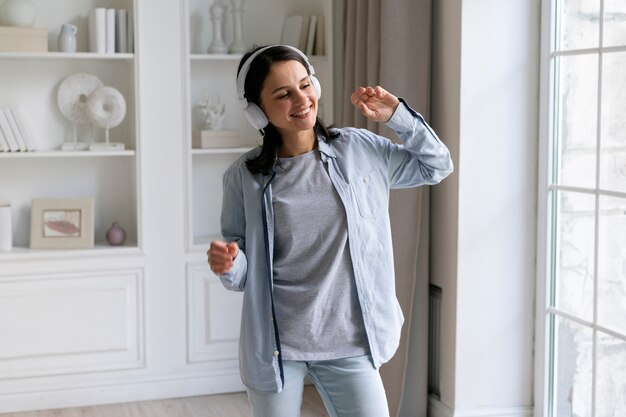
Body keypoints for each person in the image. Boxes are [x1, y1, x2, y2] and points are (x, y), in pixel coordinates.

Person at [207, 45, 453, 417]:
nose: (301, 99)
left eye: (305, 85)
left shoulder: (361, 149)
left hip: (350, 341)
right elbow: (242, 276)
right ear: (257, 110)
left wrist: (398, 116)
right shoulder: (243, 178)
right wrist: (230, 263)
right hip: (278, 347)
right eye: (283, 94)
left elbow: (436, 166)